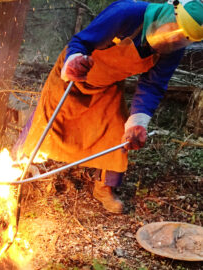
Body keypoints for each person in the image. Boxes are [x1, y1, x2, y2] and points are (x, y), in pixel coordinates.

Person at [17, 0, 203, 213]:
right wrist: (74, 62)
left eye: (182, 38)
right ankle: (16, 167)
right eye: (174, 29)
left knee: (116, 131)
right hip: (75, 75)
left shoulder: (173, 50)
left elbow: (153, 84)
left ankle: (104, 188)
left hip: (107, 85)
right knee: (46, 119)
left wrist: (138, 121)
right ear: (172, 10)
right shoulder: (127, 13)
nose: (173, 38)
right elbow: (81, 41)